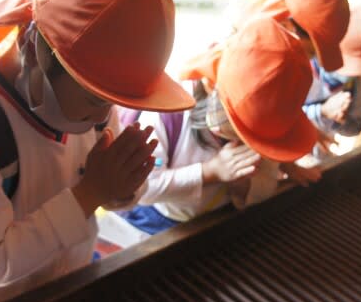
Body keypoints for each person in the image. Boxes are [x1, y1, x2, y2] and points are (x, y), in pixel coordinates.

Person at [0, 0, 194, 302]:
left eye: (114, 99)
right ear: (35, 50)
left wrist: (122, 187)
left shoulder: (87, 106)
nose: (106, 114)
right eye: (97, 98)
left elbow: (105, 190)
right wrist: (91, 193)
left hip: (68, 288)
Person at [97, 17, 319, 245]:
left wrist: (243, 187)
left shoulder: (269, 124)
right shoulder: (168, 113)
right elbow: (143, 187)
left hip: (213, 223)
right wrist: (210, 172)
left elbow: (266, 182)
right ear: (212, 85)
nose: (245, 141)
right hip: (154, 224)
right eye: (238, 127)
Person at [180, 0, 351, 92]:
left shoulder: (243, 40)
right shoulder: (227, 70)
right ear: (287, 27)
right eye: (312, 53)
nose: (309, 62)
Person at [303, 6, 361, 160]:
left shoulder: (358, 80)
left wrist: (340, 119)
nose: (353, 73)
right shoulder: (305, 62)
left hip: (318, 153)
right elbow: (278, 117)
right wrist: (322, 111)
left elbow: (356, 126)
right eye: (351, 64)